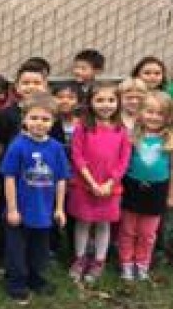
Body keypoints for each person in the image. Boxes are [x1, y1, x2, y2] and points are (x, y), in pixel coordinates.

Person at [0, 92, 70, 303]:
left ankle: (36, 279)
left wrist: (59, 208)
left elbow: (61, 179)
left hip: (44, 212)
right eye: (34, 118)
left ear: (53, 121)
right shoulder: (18, 145)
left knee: (40, 250)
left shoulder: (56, 148)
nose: (39, 123)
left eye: (45, 119)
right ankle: (16, 283)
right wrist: (12, 209)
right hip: (20, 211)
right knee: (17, 250)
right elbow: (9, 178)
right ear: (25, 119)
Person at [68, 83, 131, 283]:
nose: (106, 105)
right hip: (84, 185)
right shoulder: (83, 127)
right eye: (100, 100)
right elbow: (77, 156)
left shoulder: (122, 130)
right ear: (90, 102)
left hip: (110, 188)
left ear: (118, 103)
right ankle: (80, 258)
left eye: (111, 100)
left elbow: (124, 160)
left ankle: (99, 260)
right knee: (83, 222)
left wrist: (109, 183)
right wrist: (92, 182)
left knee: (104, 224)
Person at [118, 91, 173, 281]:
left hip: (157, 191)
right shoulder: (132, 136)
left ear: (168, 117)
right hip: (132, 188)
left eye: (160, 114)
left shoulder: (169, 140)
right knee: (127, 230)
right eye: (149, 112)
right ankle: (126, 262)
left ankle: (141, 263)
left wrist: (170, 195)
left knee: (147, 233)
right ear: (141, 112)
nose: (154, 117)